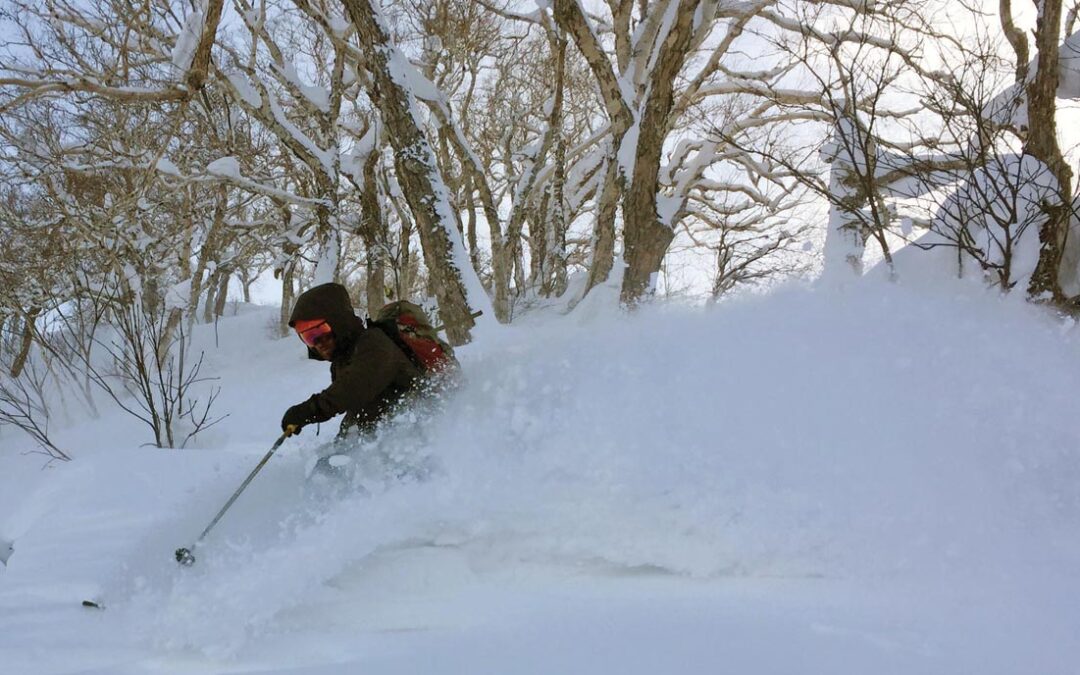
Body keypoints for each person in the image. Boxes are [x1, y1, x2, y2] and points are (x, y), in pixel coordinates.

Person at [281, 282, 423, 441]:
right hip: (385, 439)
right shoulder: (342, 361)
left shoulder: (374, 344)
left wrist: (309, 410)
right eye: (309, 337)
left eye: (320, 331)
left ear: (338, 322)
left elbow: (353, 389)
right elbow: (357, 412)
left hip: (417, 432)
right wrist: (339, 447)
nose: (318, 342)